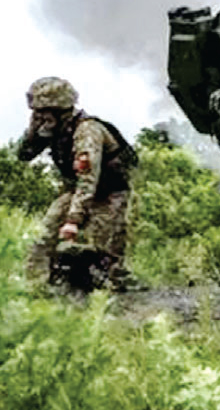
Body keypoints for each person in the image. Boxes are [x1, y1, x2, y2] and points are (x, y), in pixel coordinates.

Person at [17, 76, 137, 290]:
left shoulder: (87, 131)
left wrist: (73, 219)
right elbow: (24, 154)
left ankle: (113, 295)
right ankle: (36, 288)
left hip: (109, 194)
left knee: (105, 256)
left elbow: (87, 178)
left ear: (58, 108)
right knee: (43, 236)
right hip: (77, 191)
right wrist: (33, 130)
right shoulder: (53, 127)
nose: (38, 115)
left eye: (42, 110)